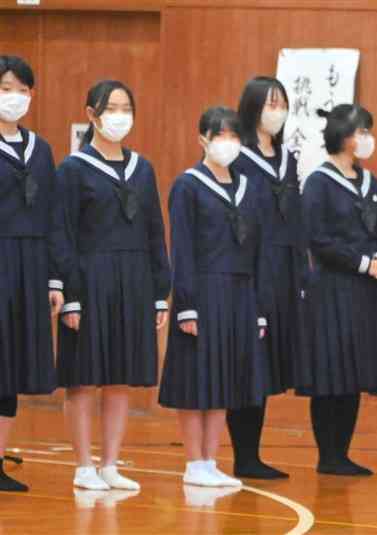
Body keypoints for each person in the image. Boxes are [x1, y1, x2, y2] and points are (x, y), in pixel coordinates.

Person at [54, 80, 171, 491]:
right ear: (91, 114)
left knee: (119, 376)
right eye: (111, 107)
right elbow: (62, 233)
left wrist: (160, 291)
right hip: (89, 281)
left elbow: (155, 230)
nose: (119, 115)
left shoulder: (143, 168)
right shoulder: (72, 169)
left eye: (126, 107)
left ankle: (109, 465)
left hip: (134, 280)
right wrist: (69, 296)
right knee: (84, 376)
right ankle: (83, 465)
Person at [159, 106, 276, 487]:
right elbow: (183, 248)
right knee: (197, 377)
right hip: (203, 290)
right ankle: (193, 462)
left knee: (224, 376)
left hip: (240, 291)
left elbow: (258, 249)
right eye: (220, 135)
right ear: (203, 139)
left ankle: (211, 460)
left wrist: (257, 308)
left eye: (234, 136)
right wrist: (186, 304)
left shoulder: (248, 186)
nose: (228, 143)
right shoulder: (188, 185)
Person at [299, 103, 377, 476]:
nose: (366, 139)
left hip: (365, 292)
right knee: (331, 370)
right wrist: (362, 263)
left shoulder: (372, 182)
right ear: (342, 135)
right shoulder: (319, 182)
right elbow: (318, 239)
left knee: (354, 371)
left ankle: (343, 451)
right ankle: (328, 454)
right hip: (331, 289)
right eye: (361, 131)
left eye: (369, 131)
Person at [226, 76, 304, 480]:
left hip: (284, 270)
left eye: (282, 103)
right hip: (251, 266)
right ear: (252, 106)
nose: (276, 110)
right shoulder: (237, 156)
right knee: (248, 363)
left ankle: (252, 454)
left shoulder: (287, 157)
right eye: (269, 102)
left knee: (269, 365)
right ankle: (244, 455)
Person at [0, 55, 60, 492]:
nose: (15, 96)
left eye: (22, 89)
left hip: (30, 266)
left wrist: (53, 279)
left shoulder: (41, 149)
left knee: (11, 367)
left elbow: (53, 216)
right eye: (6, 87)